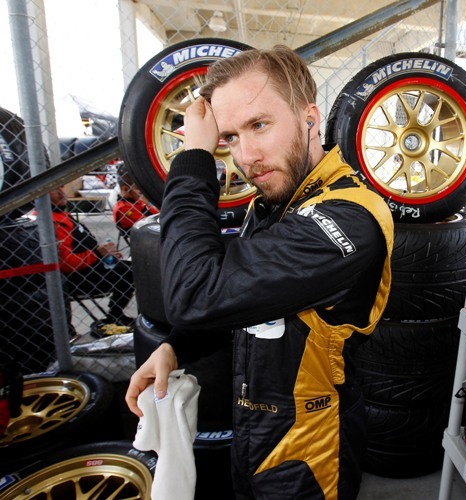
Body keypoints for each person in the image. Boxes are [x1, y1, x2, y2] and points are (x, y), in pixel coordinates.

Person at [125, 45, 394, 499]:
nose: (245, 156)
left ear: (310, 117)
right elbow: (246, 298)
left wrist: (193, 159)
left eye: (259, 125)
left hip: (310, 447)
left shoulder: (349, 218)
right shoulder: (274, 202)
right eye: (228, 137)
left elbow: (197, 293)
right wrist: (176, 346)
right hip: (253, 427)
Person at [49, 185, 135, 327]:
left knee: (133, 268)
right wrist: (97, 253)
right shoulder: (52, 221)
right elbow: (66, 263)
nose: (61, 192)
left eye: (62, 187)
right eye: (54, 189)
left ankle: (116, 314)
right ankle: (115, 315)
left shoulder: (61, 215)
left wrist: (104, 252)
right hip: (79, 277)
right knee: (130, 272)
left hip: (92, 266)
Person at [112, 171, 158, 240]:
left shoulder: (136, 201)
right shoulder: (124, 208)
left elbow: (156, 213)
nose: (140, 191)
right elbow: (146, 224)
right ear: (126, 189)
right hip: (147, 236)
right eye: (137, 188)